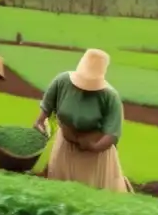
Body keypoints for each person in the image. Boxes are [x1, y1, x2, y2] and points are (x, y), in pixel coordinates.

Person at [34, 49, 130, 192]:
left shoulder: (110, 97)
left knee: (92, 193)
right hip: (65, 146)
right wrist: (40, 123)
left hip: (96, 156)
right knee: (58, 190)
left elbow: (112, 134)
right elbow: (46, 109)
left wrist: (94, 146)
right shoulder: (62, 82)